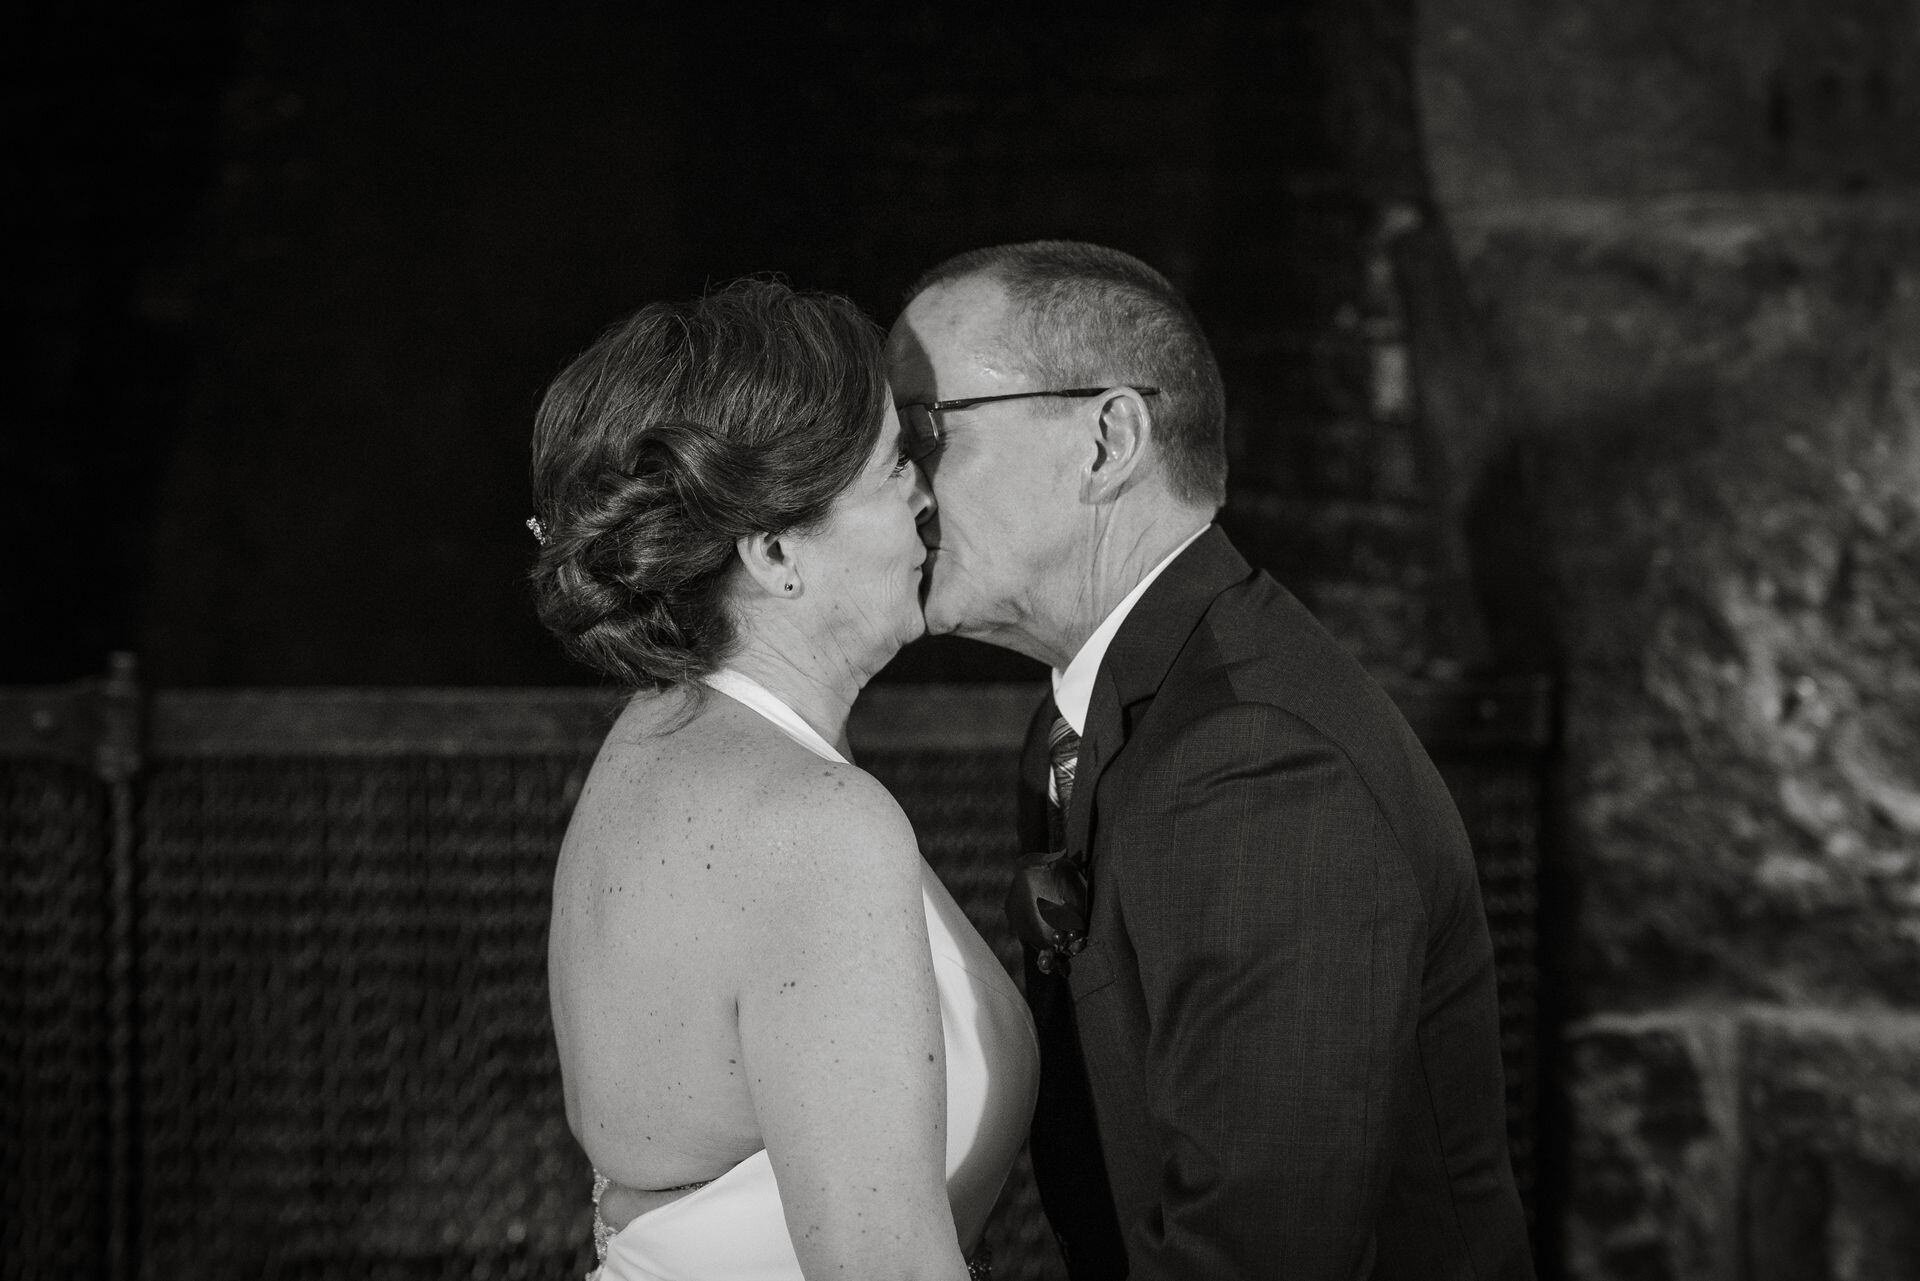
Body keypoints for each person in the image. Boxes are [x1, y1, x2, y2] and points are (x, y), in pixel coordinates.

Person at [886, 241, 1534, 1280]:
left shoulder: (1256, 762)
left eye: (921, 429)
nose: (899, 487)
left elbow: (1259, 1251)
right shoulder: (1107, 710)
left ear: (1108, 439)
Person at [531, 278, 1038, 1281]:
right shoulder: (812, 823)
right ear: (773, 553)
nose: (929, 496)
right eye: (896, 467)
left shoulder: (662, 738)